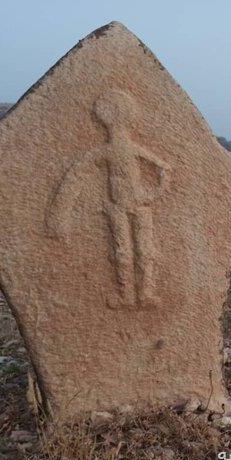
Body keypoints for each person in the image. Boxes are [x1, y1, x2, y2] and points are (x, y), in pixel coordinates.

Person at [46, 90, 169, 309]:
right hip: (120, 207)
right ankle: (129, 295)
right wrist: (60, 213)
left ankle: (143, 294)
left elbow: (162, 168)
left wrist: (153, 192)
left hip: (136, 205)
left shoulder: (121, 150)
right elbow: (78, 175)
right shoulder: (109, 152)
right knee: (125, 251)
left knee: (142, 250)